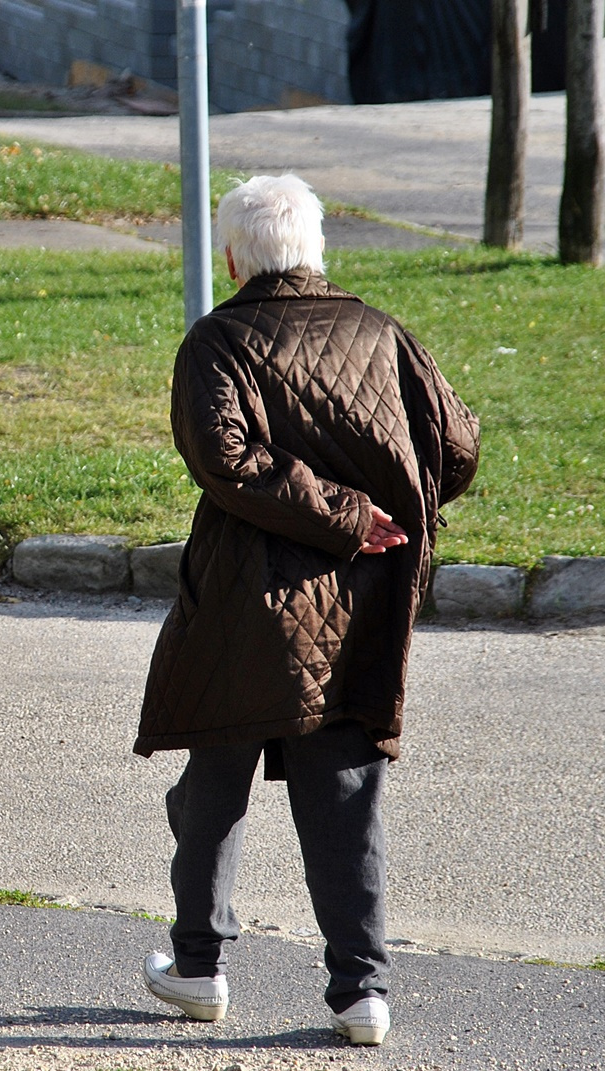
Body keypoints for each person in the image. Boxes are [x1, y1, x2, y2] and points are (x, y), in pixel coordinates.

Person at [133, 175, 479, 1045]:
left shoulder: (218, 342)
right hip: (358, 607)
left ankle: (199, 969)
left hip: (243, 604)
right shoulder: (384, 335)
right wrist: (380, 513)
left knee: (213, 782)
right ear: (318, 250)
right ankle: (363, 994)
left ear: (232, 258)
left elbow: (227, 456)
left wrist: (345, 514)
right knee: (346, 795)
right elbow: (460, 443)